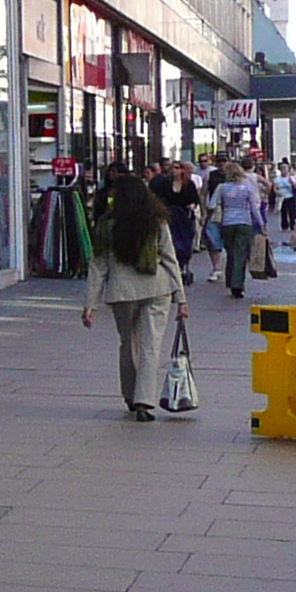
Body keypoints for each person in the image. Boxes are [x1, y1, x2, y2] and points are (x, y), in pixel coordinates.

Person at [83, 170, 187, 420]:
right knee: (151, 347)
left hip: (122, 291)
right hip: (157, 288)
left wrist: (90, 304)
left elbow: (98, 265)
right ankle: (144, 402)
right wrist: (181, 298)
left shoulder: (107, 224)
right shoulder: (156, 220)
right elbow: (170, 259)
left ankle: (130, 395)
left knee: (128, 344)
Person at [208, 157, 263, 299]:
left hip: (227, 223)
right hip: (244, 222)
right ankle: (237, 285)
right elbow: (254, 208)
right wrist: (261, 224)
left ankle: (230, 281)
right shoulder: (246, 188)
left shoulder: (222, 187)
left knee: (231, 253)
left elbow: (212, 204)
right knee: (241, 254)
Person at [153, 161, 201, 285]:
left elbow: (195, 199)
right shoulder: (165, 184)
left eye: (177, 168)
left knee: (185, 242)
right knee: (171, 241)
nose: (174, 170)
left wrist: (192, 205)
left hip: (184, 217)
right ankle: (173, 266)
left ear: (182, 170)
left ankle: (183, 264)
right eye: (172, 168)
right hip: (169, 216)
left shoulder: (188, 184)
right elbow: (159, 198)